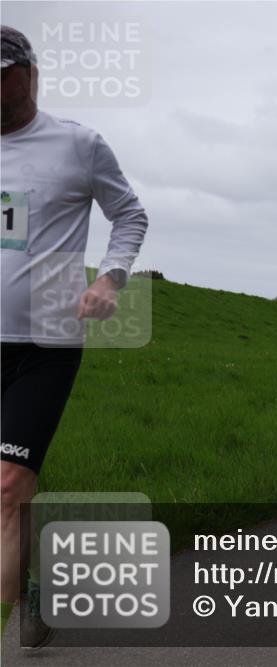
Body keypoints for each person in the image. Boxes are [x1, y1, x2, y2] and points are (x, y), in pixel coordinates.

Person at [0, 26, 149, 647]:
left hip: (46, 342)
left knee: (8, 484)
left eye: (3, 74)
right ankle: (26, 591)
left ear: (29, 75)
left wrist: (110, 278)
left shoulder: (78, 145)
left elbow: (129, 214)